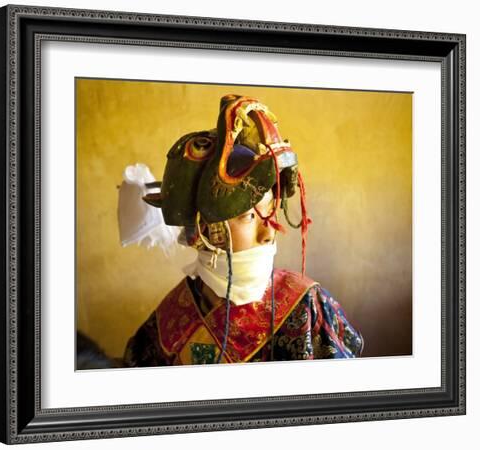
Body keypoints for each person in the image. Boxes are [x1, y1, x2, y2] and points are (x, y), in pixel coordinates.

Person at [121, 94, 363, 366]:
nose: (269, 233)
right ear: (201, 231)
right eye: (250, 216)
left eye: (270, 212)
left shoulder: (306, 306)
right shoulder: (169, 320)